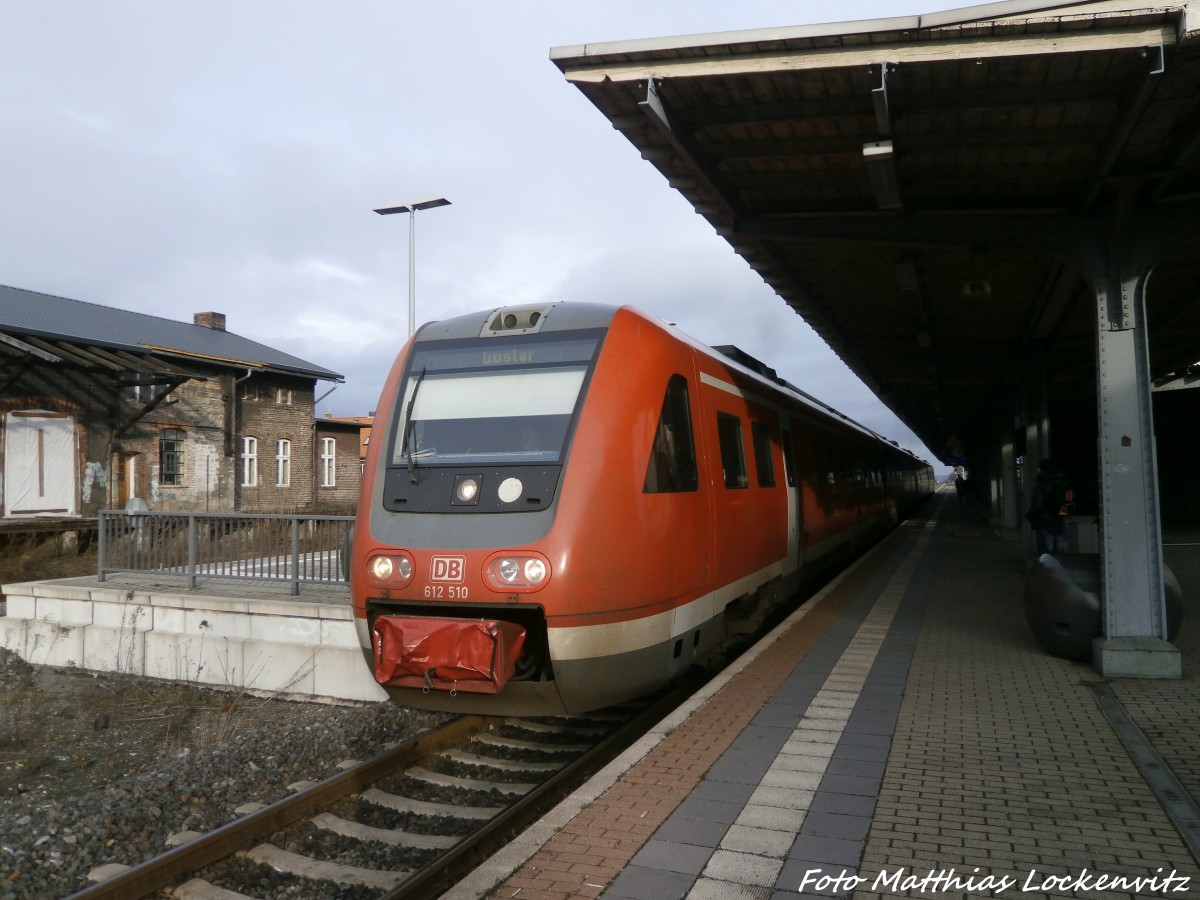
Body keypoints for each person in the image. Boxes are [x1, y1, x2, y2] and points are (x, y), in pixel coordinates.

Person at [1027, 459, 1072, 554]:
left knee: (1046, 549)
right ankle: (1059, 566)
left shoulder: (1042, 482)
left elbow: (1037, 504)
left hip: (1046, 519)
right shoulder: (1062, 481)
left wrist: (1033, 514)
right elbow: (1069, 498)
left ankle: (1048, 567)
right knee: (1060, 548)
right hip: (1060, 518)